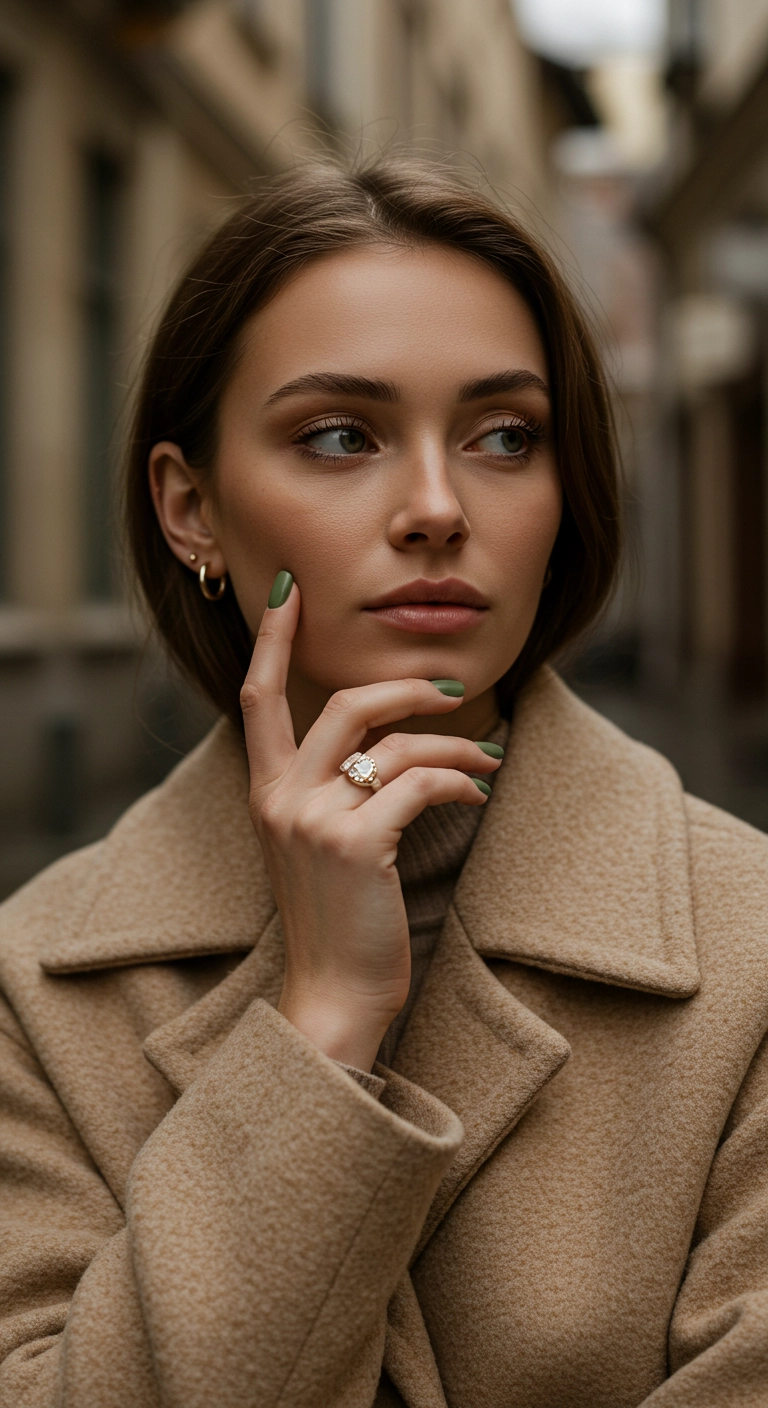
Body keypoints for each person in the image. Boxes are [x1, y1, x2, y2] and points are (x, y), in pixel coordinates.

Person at [1, 157, 767, 1408]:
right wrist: (321, 1028)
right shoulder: (36, 993)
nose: (435, 505)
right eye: (340, 435)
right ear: (190, 506)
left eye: (505, 436)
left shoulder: (751, 952)